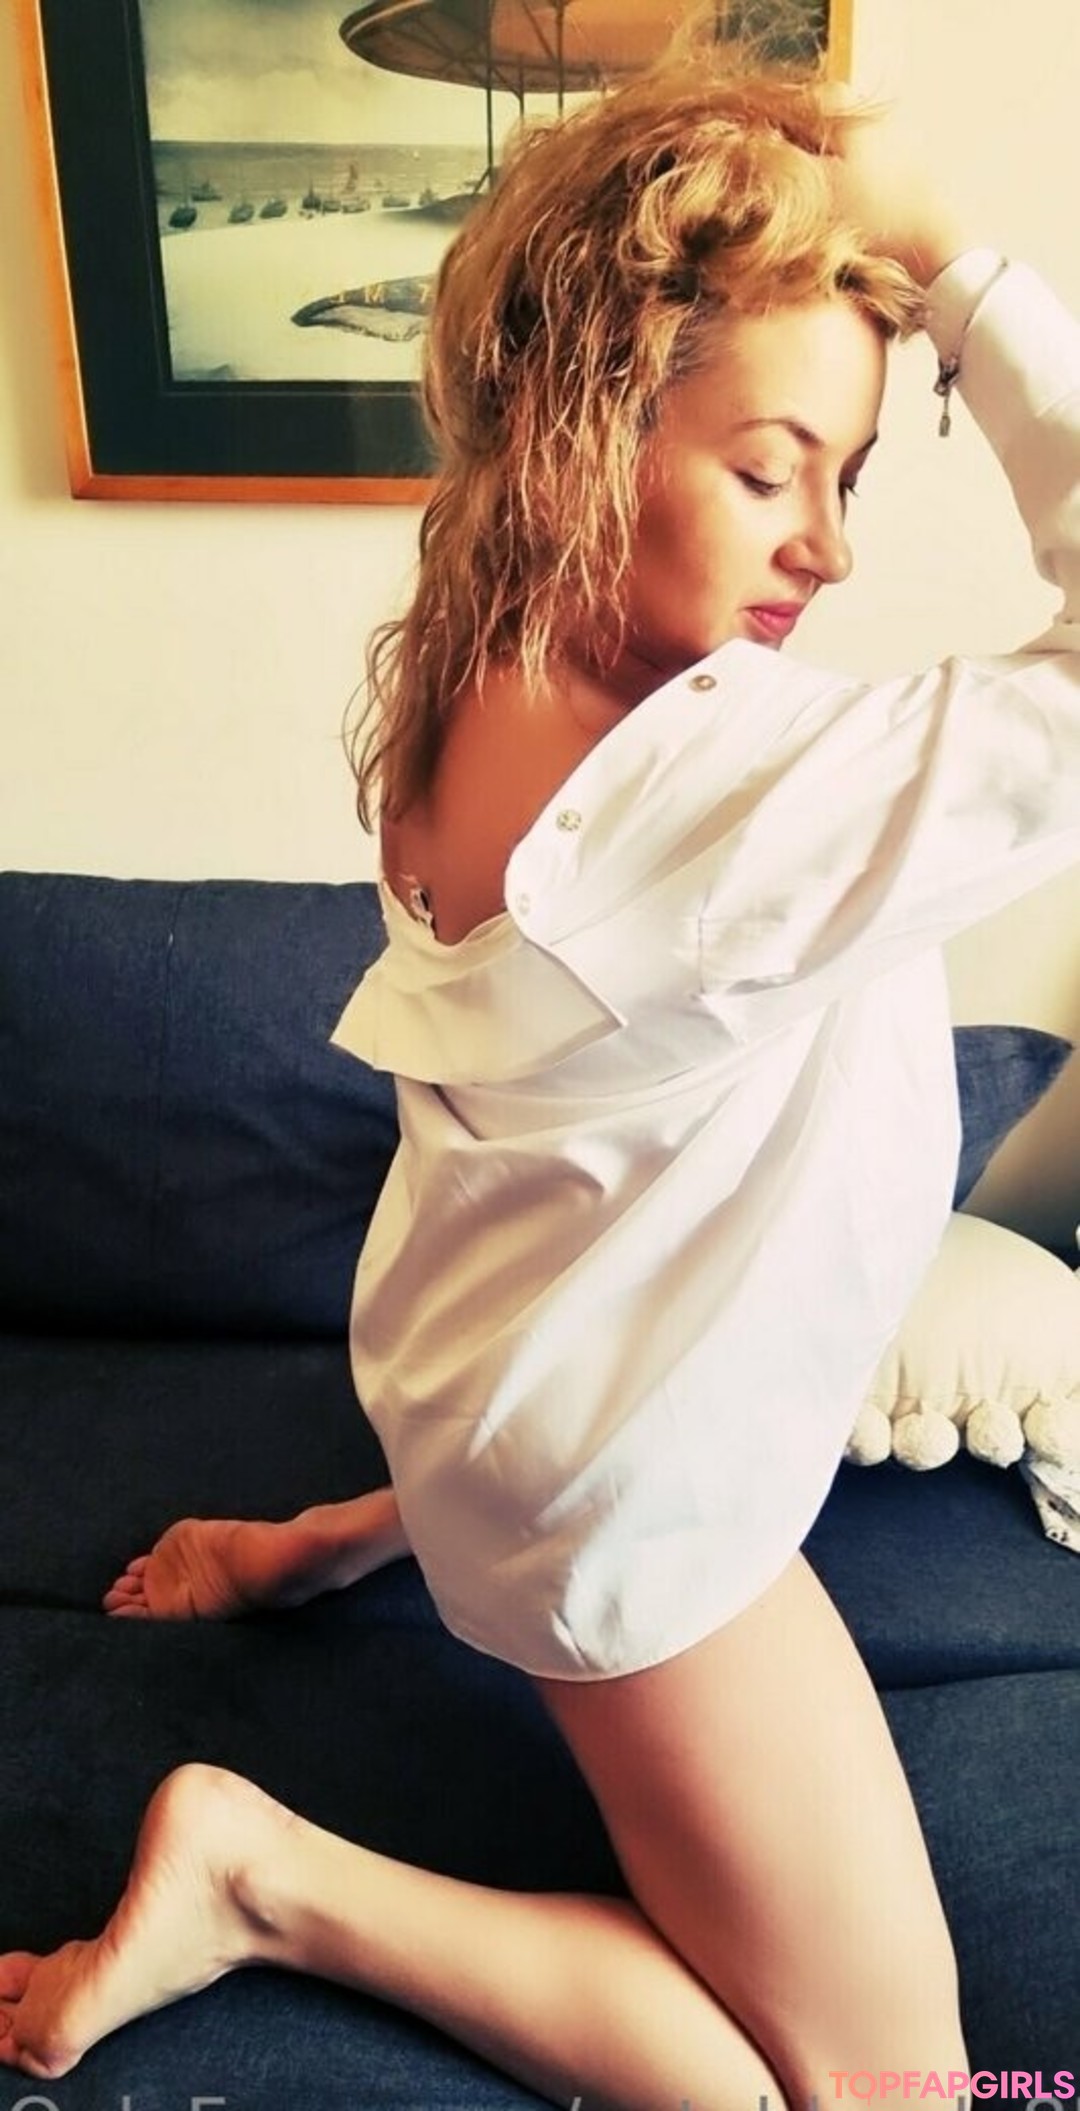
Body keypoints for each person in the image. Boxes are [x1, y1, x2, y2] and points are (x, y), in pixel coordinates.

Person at [2, 35, 1078, 2111]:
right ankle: (264, 1881)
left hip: (487, 1377)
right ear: (591, 426)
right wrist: (954, 260)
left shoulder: (475, 654)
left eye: (852, 477)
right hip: (625, 1512)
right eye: (772, 469)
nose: (830, 550)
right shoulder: (735, 800)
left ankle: (340, 1540)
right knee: (882, 2093)